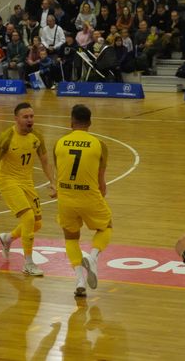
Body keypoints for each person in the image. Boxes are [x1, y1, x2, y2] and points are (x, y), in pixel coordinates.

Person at [0, 103, 57, 276]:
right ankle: (28, 263)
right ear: (16, 119)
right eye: (25, 117)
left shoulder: (37, 137)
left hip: (27, 182)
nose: (30, 120)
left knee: (37, 223)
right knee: (28, 218)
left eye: (31, 116)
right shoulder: (6, 137)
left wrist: (52, 182)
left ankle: (7, 238)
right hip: (8, 181)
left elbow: (45, 161)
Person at [53, 105, 113, 297]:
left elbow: (59, 171)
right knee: (106, 226)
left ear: (71, 121)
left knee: (71, 238)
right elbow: (101, 181)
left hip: (65, 198)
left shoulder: (59, 143)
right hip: (88, 196)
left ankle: (79, 281)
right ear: (90, 122)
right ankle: (93, 257)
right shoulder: (99, 144)